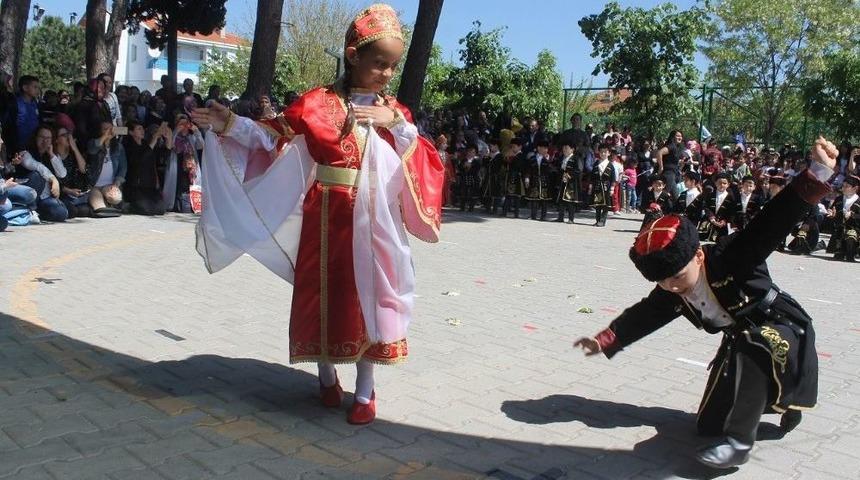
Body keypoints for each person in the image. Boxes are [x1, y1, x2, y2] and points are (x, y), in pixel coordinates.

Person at [192, 3, 443, 425]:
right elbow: (271, 136)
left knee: (367, 295)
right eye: (378, 63)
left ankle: (366, 390)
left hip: (372, 221)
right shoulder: (315, 104)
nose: (385, 73)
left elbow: (421, 159)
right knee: (320, 291)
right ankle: (326, 376)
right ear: (352, 55)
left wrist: (397, 125)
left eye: (392, 66)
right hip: (324, 211)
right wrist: (230, 124)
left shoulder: (394, 112)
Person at [575, 136, 838, 469]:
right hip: (739, 342)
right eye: (663, 281)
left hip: (778, 326)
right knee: (707, 426)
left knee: (752, 342)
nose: (671, 286)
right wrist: (605, 339)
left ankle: (741, 442)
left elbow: (774, 219)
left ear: (698, 255)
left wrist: (818, 171)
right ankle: (751, 416)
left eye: (677, 276)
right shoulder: (672, 292)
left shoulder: (733, 253)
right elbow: (645, 315)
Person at [15, 126, 69, 222]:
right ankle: (30, 210)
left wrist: (52, 155)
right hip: (29, 195)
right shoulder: (25, 152)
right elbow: (33, 165)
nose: (45, 141)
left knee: (63, 213)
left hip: (44, 198)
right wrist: (53, 178)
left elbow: (62, 174)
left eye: (48, 138)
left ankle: (39, 213)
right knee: (36, 176)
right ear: (35, 138)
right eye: (42, 137)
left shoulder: (52, 155)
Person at [124, 121, 171, 215]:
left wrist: (169, 139)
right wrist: (155, 137)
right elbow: (141, 159)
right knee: (146, 210)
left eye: (142, 128)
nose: (142, 131)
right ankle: (129, 205)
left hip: (150, 186)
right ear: (131, 132)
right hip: (136, 186)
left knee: (160, 209)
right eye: (138, 129)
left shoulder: (146, 144)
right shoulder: (128, 146)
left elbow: (162, 156)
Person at [86, 121, 127, 217]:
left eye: (110, 129)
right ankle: (102, 202)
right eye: (105, 129)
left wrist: (117, 184)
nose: (109, 131)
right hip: (94, 185)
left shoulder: (118, 147)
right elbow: (92, 150)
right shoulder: (93, 143)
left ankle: (109, 202)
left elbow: (123, 167)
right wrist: (105, 137)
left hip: (109, 185)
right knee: (101, 209)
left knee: (116, 198)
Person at [693, 173, 736, 242]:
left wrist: (724, 221)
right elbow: (706, 206)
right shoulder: (710, 195)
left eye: (724, 183)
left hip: (722, 225)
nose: (722, 185)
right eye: (719, 183)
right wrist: (711, 217)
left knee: (719, 243)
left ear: (728, 184)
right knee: (702, 241)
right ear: (715, 183)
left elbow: (731, 211)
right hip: (708, 222)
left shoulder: (731, 198)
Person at [825, 175, 859, 262]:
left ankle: (851, 253)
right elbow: (832, 211)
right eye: (843, 186)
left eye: (846, 186)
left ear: (855, 188)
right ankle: (840, 251)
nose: (843, 188)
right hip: (840, 230)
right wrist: (831, 214)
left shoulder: (858, 201)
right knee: (838, 256)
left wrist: (852, 215)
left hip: (855, 230)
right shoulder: (839, 199)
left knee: (851, 235)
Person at [524, 140, 552, 220]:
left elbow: (550, 170)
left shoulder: (549, 159)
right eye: (544, 148)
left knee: (544, 200)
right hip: (534, 180)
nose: (546, 150)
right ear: (539, 148)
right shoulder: (532, 158)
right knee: (534, 199)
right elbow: (528, 169)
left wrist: (548, 160)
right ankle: (533, 215)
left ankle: (543, 216)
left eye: (547, 148)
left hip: (544, 181)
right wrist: (527, 178)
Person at [589, 144, 615, 227]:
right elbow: (592, 176)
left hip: (606, 187)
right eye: (601, 152)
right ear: (599, 153)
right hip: (597, 186)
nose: (603, 154)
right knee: (597, 205)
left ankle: (602, 221)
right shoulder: (596, 163)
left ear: (608, 153)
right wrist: (590, 186)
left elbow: (613, 178)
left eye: (605, 152)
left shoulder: (610, 165)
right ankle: (597, 220)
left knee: (605, 206)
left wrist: (612, 188)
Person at [555, 140, 581, 223]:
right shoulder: (562, 158)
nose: (564, 150)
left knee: (570, 201)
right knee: (561, 200)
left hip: (571, 184)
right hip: (563, 182)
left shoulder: (576, 158)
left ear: (572, 149)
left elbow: (578, 170)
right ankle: (560, 217)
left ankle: (571, 218)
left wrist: (569, 175)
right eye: (563, 148)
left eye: (566, 148)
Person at [654, 130, 684, 199]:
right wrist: (661, 167)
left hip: (673, 174)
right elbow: (659, 153)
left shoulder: (676, 148)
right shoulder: (671, 146)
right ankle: (655, 207)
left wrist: (680, 162)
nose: (680, 138)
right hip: (668, 174)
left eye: (681, 136)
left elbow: (670, 160)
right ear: (673, 137)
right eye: (678, 136)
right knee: (665, 194)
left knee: (675, 196)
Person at [501, 138, 526, 218]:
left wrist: (512, 158)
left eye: (514, 146)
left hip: (517, 178)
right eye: (511, 146)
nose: (512, 148)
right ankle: (504, 212)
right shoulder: (510, 155)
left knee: (517, 196)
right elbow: (505, 165)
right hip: (509, 176)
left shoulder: (521, 155)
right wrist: (506, 158)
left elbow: (517, 165)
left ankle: (516, 213)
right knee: (508, 195)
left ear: (520, 147)